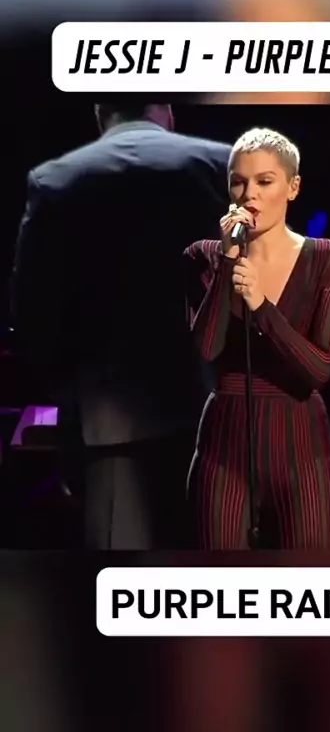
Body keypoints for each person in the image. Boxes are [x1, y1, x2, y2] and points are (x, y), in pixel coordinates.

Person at [10, 97, 230, 549]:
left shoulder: (55, 180)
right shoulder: (225, 165)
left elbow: (32, 310)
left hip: (110, 426)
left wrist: (69, 392)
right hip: (218, 416)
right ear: (166, 110)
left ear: (100, 115)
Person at [184, 127, 330, 549]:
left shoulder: (328, 257)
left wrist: (261, 305)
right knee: (219, 581)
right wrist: (228, 261)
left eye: (264, 181)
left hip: (302, 447)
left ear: (292, 187)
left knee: (311, 580)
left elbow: (318, 369)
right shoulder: (204, 255)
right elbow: (207, 348)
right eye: (238, 182)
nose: (249, 194)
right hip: (225, 444)